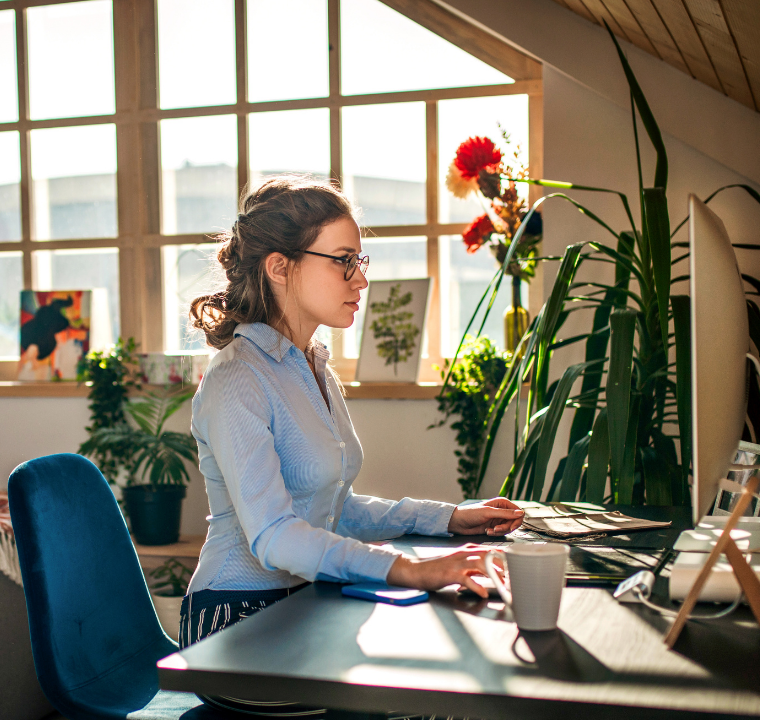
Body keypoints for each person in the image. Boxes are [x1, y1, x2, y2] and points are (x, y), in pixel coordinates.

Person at [182, 176, 524, 717]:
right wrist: (407, 569)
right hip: (237, 627)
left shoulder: (314, 365)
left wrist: (450, 518)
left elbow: (335, 510)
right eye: (344, 260)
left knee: (450, 674)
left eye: (361, 260)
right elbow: (274, 536)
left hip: (304, 604)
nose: (360, 279)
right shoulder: (237, 379)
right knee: (421, 695)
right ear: (280, 267)